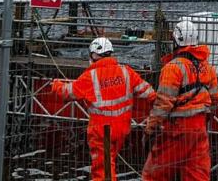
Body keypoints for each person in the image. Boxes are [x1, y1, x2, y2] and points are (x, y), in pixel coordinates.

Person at [56, 37, 154, 181]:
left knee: (102, 170)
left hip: (102, 132)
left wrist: (55, 85)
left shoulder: (91, 76)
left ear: (94, 55)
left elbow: (67, 93)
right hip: (122, 129)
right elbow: (149, 93)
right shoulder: (126, 71)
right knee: (110, 164)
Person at [142, 19, 218, 181]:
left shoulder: (173, 68)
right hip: (199, 129)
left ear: (176, 40)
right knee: (196, 175)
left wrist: (150, 128)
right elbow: (217, 97)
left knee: (155, 174)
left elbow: (163, 105)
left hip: (177, 130)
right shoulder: (207, 67)